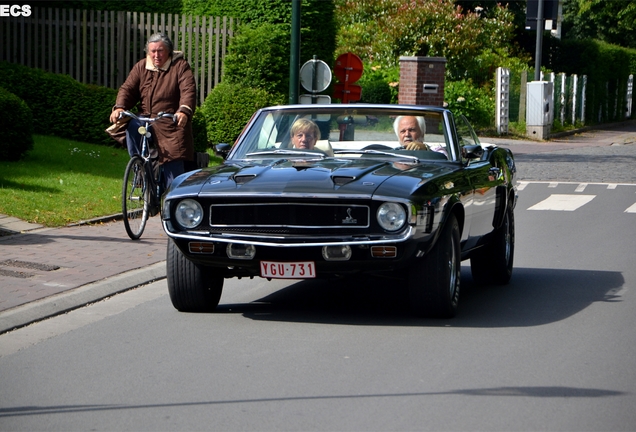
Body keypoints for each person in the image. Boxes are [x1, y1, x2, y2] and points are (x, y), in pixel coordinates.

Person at [109, 32, 196, 190]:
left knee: (173, 159)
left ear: (168, 51)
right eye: (153, 51)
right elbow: (128, 89)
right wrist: (120, 107)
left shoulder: (180, 66)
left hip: (170, 121)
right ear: (148, 52)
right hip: (145, 118)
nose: (156, 55)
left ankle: (172, 199)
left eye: (160, 50)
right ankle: (139, 167)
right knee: (132, 126)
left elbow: (188, 90)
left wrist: (183, 111)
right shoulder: (142, 66)